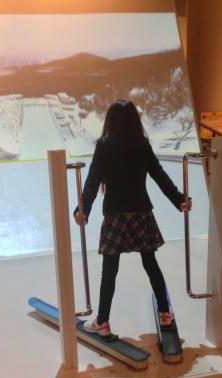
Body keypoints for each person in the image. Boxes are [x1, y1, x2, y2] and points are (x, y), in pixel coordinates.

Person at [74, 99, 192, 336]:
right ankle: (165, 313)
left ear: (110, 122)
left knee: (109, 270)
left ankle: (102, 321)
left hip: (115, 215)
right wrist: (179, 199)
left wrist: (82, 209)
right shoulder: (141, 144)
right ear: (134, 122)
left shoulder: (104, 146)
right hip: (140, 213)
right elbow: (159, 175)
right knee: (151, 264)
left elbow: (93, 180)